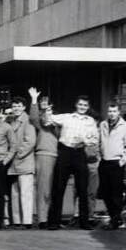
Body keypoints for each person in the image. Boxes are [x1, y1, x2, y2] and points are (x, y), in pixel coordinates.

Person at [43, 94, 99, 230]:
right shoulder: (66, 117)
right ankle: (53, 222)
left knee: (83, 189)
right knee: (58, 187)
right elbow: (47, 121)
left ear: (88, 107)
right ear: (76, 105)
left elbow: (95, 139)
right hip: (65, 152)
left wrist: (85, 140)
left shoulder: (90, 121)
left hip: (80, 152)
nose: (82, 107)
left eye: (85, 105)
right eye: (80, 104)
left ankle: (84, 222)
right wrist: (47, 110)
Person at [98, 101, 126, 230]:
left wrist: (123, 160)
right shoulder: (102, 125)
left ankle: (115, 220)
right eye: (110, 111)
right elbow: (98, 142)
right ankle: (115, 217)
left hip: (116, 162)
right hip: (104, 162)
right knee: (105, 193)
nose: (112, 114)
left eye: (114, 111)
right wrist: (99, 158)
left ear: (119, 112)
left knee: (116, 193)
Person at [28, 88, 59, 229]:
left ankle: (53, 217)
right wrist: (34, 99)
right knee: (43, 189)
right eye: (43, 104)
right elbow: (33, 117)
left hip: (59, 157)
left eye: (50, 110)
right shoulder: (40, 124)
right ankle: (43, 218)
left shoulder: (58, 125)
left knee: (55, 189)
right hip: (44, 156)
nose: (48, 114)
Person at [7, 96, 37, 229]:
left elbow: (30, 141)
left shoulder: (28, 120)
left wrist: (16, 154)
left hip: (23, 160)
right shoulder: (12, 121)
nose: (16, 108)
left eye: (19, 106)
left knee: (26, 192)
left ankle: (27, 221)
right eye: (14, 106)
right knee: (15, 192)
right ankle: (17, 220)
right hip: (13, 163)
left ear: (24, 107)